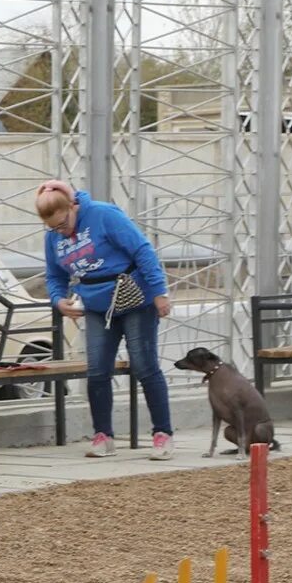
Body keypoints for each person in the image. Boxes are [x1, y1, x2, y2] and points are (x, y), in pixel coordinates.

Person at [35, 179, 174, 460]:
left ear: (73, 206)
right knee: (97, 370)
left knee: (145, 366)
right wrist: (58, 299)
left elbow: (142, 250)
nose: (62, 231)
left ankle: (163, 434)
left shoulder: (103, 214)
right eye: (54, 228)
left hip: (135, 297)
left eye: (64, 224)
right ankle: (103, 435)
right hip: (97, 304)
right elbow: (54, 275)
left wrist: (159, 291)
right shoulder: (53, 237)